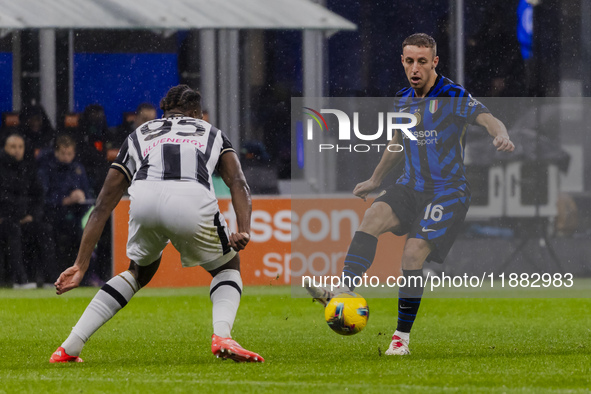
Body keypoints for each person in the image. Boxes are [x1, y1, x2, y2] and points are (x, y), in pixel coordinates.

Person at [307, 33, 515, 355]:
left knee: (412, 254)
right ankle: (343, 291)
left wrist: (500, 134)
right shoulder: (403, 98)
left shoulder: (452, 95)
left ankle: (400, 339)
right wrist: (376, 179)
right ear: (402, 62)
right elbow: (397, 143)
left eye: (422, 61)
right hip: (410, 184)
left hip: (448, 192)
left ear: (434, 62)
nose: (415, 68)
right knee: (373, 214)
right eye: (409, 61)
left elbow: (488, 119)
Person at [49, 85, 264, 363]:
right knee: (228, 267)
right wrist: (244, 228)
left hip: (143, 200)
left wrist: (80, 264)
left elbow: (103, 203)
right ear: (196, 113)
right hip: (190, 198)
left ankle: (69, 347)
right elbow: (238, 182)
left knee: (139, 271)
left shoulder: (140, 133)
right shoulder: (211, 132)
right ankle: (222, 335)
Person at [0, 133, 48, 289]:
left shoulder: (28, 168)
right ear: (5, 148)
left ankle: (50, 278)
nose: (17, 150)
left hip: (24, 218)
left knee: (44, 229)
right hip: (4, 219)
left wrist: (33, 215)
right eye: (13, 147)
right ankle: (19, 280)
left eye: (20, 147)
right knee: (13, 230)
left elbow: (38, 195)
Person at [38, 135, 92, 271]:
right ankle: (52, 275)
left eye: (69, 153)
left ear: (74, 153)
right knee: (50, 235)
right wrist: (64, 200)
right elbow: (43, 198)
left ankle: (85, 275)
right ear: (56, 152)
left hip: (77, 216)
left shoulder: (78, 170)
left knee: (87, 234)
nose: (66, 157)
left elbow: (89, 196)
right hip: (52, 216)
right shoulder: (46, 169)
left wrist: (82, 198)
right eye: (63, 153)